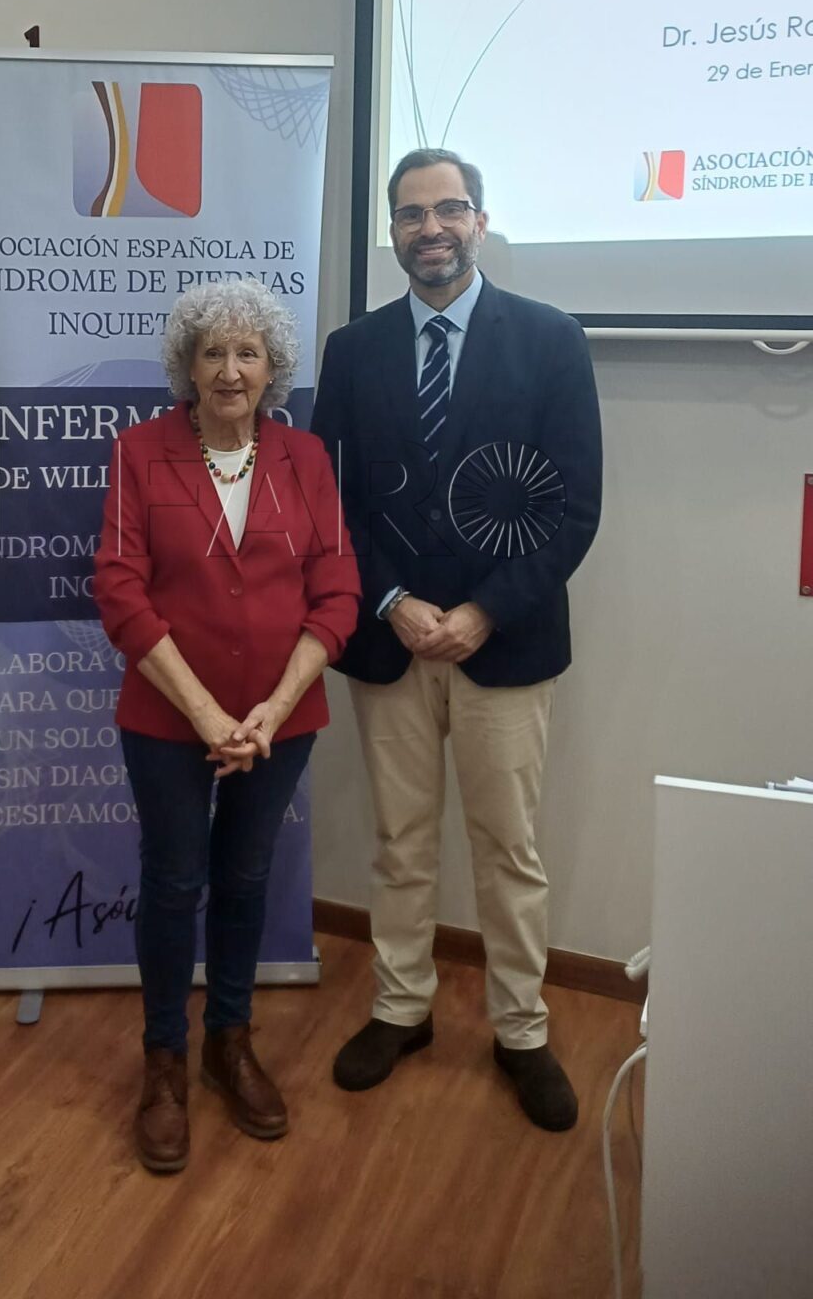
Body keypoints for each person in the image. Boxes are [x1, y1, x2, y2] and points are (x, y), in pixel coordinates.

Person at [311, 148, 602, 1131]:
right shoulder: (353, 351)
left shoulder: (551, 341)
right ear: (392, 231)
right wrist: (391, 599)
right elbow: (328, 501)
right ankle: (402, 1008)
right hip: (390, 640)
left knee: (508, 848)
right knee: (400, 842)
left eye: (449, 209)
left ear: (479, 220)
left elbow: (573, 507)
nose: (430, 228)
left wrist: (483, 611)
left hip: (504, 644)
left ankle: (521, 1029)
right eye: (410, 214)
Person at [94, 278, 359, 1173]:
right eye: (213, 352)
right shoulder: (140, 453)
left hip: (281, 717)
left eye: (249, 352)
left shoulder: (305, 459)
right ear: (188, 366)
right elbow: (119, 590)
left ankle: (229, 1041)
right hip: (168, 720)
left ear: (273, 367)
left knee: (246, 878)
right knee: (174, 883)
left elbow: (338, 592)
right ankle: (164, 1061)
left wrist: (273, 710)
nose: (231, 370)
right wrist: (207, 713)